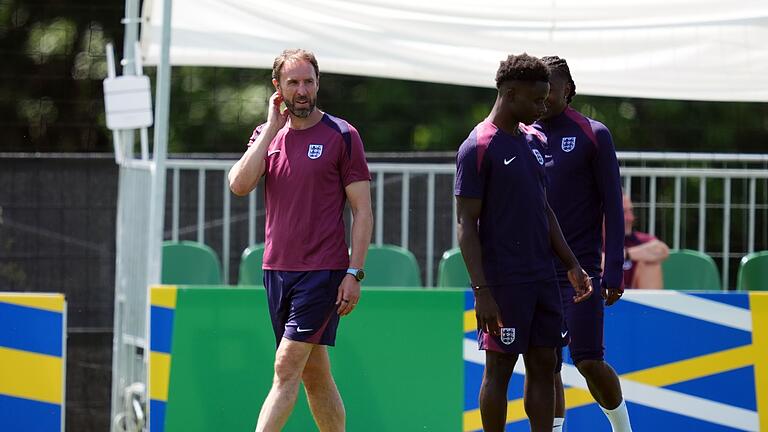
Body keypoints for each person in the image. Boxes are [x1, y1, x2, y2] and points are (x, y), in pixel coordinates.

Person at [228, 48, 373, 432]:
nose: (303, 90)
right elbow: (239, 185)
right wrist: (271, 127)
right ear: (278, 88)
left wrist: (354, 272)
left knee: (285, 365)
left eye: (309, 81)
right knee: (314, 375)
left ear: (318, 83)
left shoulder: (342, 135)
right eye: (293, 82)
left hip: (322, 272)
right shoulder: (266, 135)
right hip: (276, 271)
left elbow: (363, 211)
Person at [455, 53, 593, 432]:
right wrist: (481, 290)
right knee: (499, 369)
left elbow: (543, 209)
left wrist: (571, 263)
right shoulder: (478, 146)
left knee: (545, 363)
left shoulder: (533, 139)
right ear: (510, 93)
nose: (542, 106)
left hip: (543, 277)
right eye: (536, 99)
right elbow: (465, 223)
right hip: (503, 281)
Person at [531, 55, 632, 432]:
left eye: (550, 90)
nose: (542, 99)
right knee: (546, 360)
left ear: (568, 90)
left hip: (581, 271)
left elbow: (613, 205)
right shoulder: (523, 135)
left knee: (588, 360)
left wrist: (614, 268)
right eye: (536, 92)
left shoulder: (594, 133)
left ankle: (622, 428)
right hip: (536, 268)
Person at [623, 194, 670, 289]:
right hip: (600, 297)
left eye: (631, 211)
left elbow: (662, 250)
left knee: (650, 263)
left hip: (633, 298)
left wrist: (624, 254)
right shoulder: (592, 241)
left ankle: (647, 304)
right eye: (623, 212)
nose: (631, 218)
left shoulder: (639, 239)